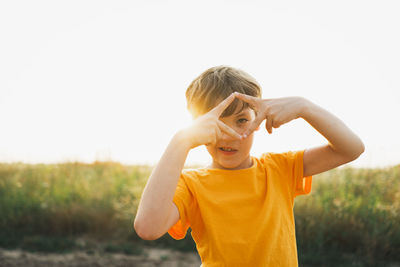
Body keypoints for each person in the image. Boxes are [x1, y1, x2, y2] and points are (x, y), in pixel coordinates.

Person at [134, 65, 365, 266]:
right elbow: (147, 228)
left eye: (242, 120)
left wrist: (304, 107)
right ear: (198, 126)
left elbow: (351, 148)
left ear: (259, 120)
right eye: (216, 123)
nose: (229, 135)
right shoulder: (191, 184)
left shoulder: (280, 168)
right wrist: (181, 141)